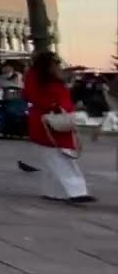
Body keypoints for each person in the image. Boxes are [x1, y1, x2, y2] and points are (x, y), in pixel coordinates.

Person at [24, 52, 94, 204]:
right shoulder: (36, 77)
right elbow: (31, 95)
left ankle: (53, 192)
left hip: (55, 120)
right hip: (49, 121)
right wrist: (53, 105)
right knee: (61, 158)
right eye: (55, 63)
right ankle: (77, 192)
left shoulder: (45, 77)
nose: (58, 66)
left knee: (52, 159)